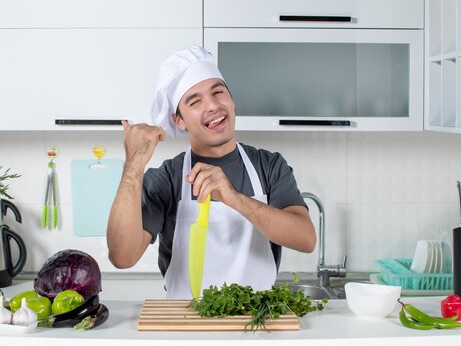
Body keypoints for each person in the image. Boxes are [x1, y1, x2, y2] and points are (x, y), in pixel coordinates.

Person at [106, 45, 316, 299]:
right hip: (186, 327)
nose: (213, 106)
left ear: (232, 100)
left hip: (258, 327)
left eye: (218, 92)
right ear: (179, 121)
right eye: (195, 101)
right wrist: (133, 166)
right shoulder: (167, 178)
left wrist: (233, 197)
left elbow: (306, 239)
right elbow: (122, 256)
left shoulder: (269, 165)